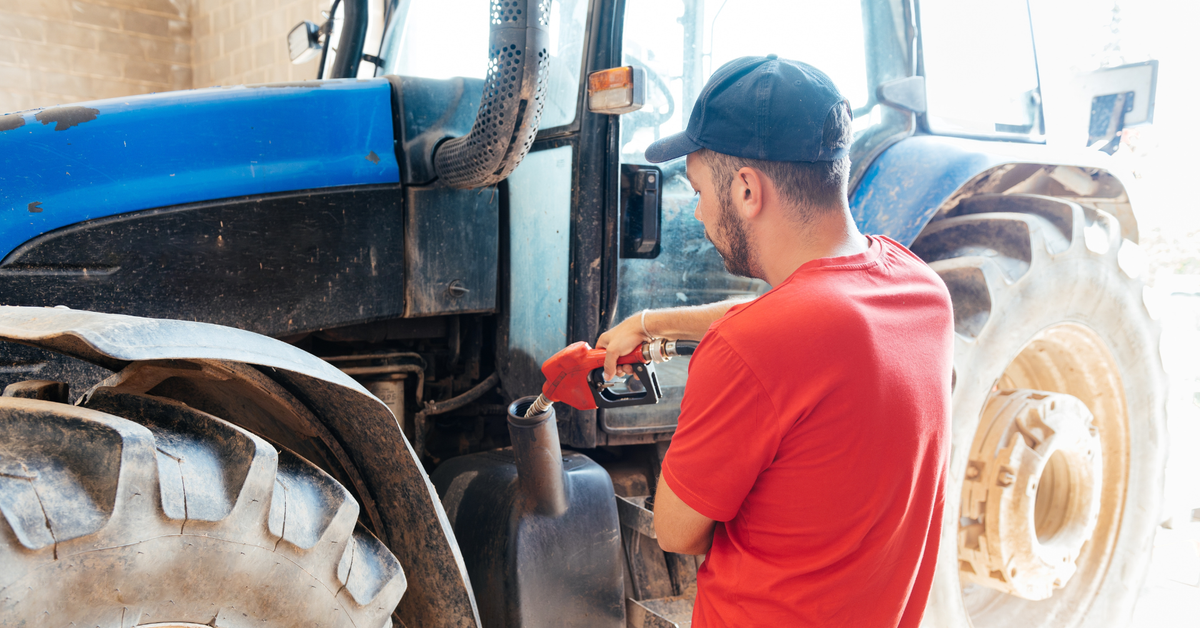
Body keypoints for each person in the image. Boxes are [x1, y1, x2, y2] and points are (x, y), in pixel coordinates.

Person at [596, 55, 954, 627]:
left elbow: (676, 532)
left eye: (698, 190)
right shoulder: (921, 292)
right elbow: (801, 317)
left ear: (746, 189)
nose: (698, 212)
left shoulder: (748, 350)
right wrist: (650, 323)